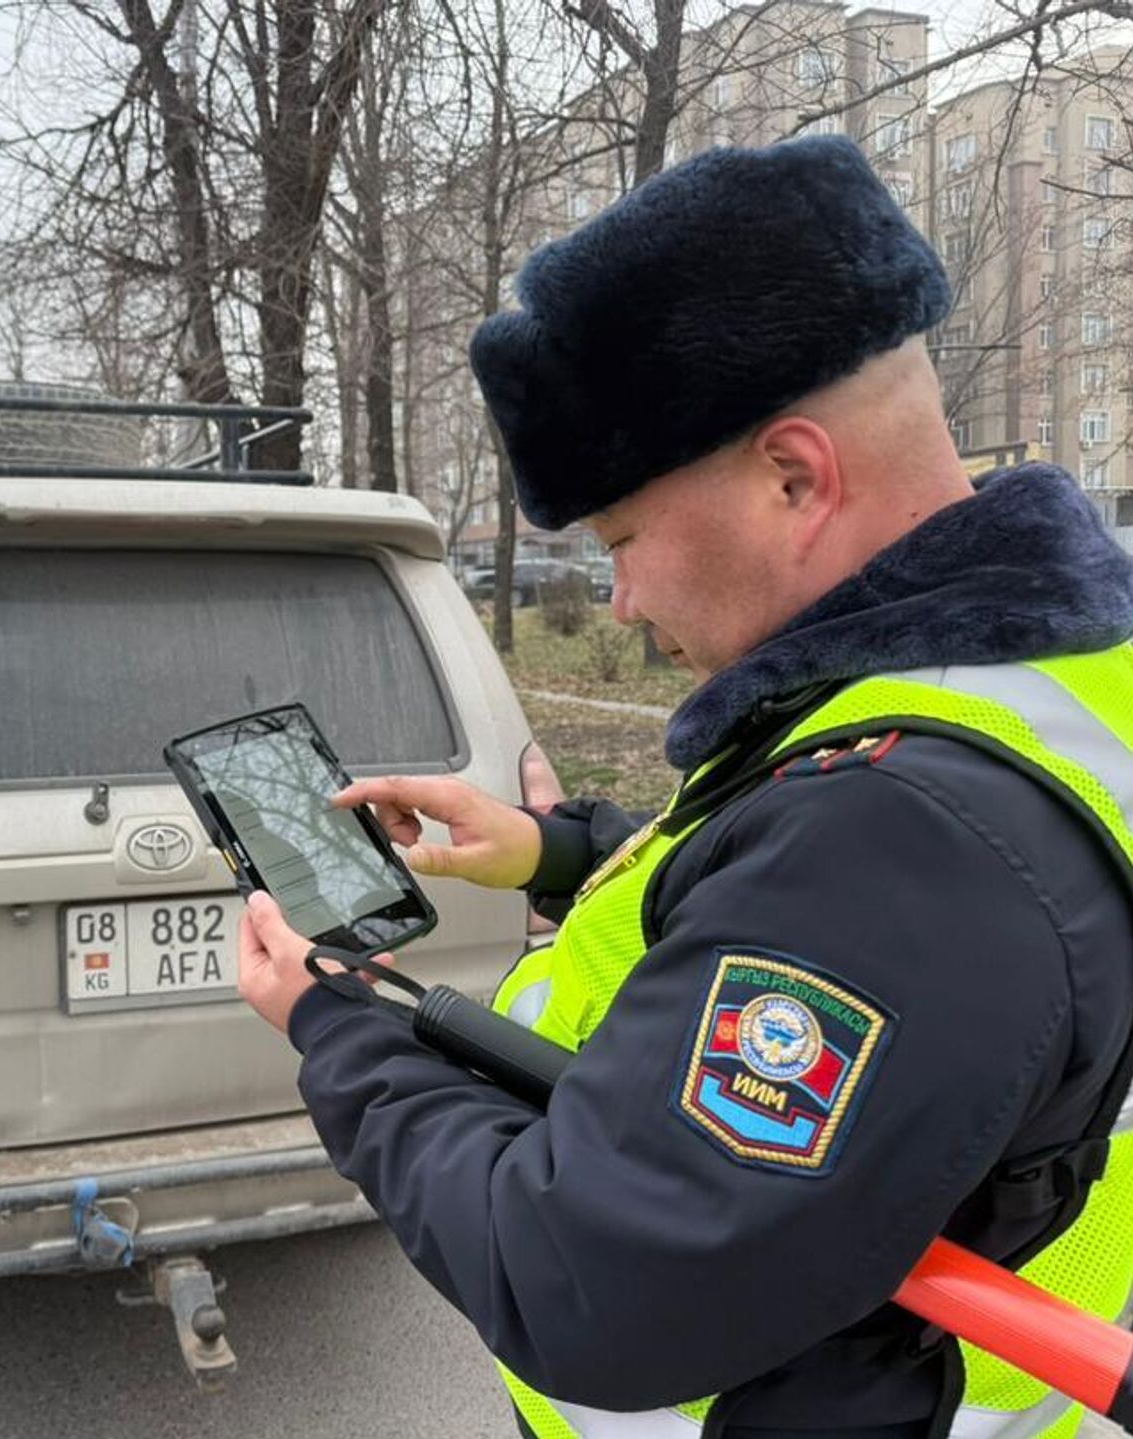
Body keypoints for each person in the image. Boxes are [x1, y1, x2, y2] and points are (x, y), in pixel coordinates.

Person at [237, 135, 1133, 1438]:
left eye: (623, 538)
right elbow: (795, 867)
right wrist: (555, 848)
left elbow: (584, 1280)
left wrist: (338, 1027)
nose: (621, 597)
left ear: (794, 477)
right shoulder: (1033, 670)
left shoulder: (896, 830)